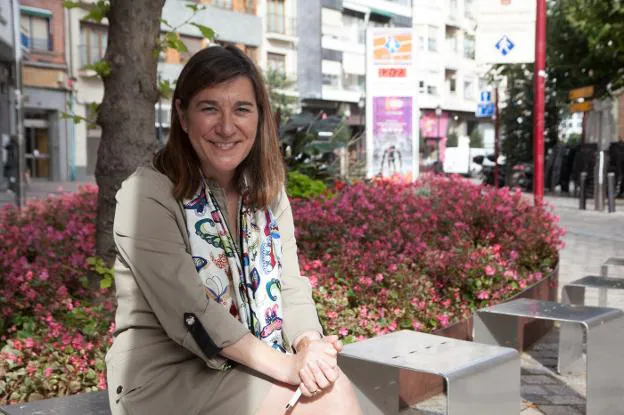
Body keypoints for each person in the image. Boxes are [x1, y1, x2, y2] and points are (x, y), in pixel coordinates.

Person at [106, 45, 363, 415]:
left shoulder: (268, 193)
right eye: (209, 108)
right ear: (182, 115)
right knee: (327, 400)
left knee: (328, 387)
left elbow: (289, 286)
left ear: (261, 117)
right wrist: (289, 367)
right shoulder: (146, 194)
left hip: (250, 365)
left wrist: (309, 345)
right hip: (167, 377)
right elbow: (192, 310)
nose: (226, 127)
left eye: (241, 109)